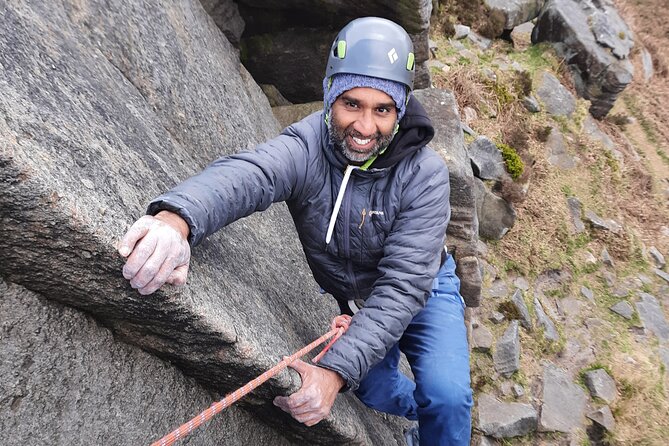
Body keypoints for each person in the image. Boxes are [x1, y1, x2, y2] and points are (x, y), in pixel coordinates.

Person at [118, 17, 472, 445]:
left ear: (399, 112)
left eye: (382, 110)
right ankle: (418, 413)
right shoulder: (309, 146)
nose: (364, 126)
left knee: (449, 397)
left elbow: (402, 288)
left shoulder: (425, 175)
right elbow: (253, 174)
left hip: (424, 287)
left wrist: (334, 371)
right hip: (358, 294)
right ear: (329, 98)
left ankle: (437, 420)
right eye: (351, 104)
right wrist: (177, 220)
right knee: (377, 389)